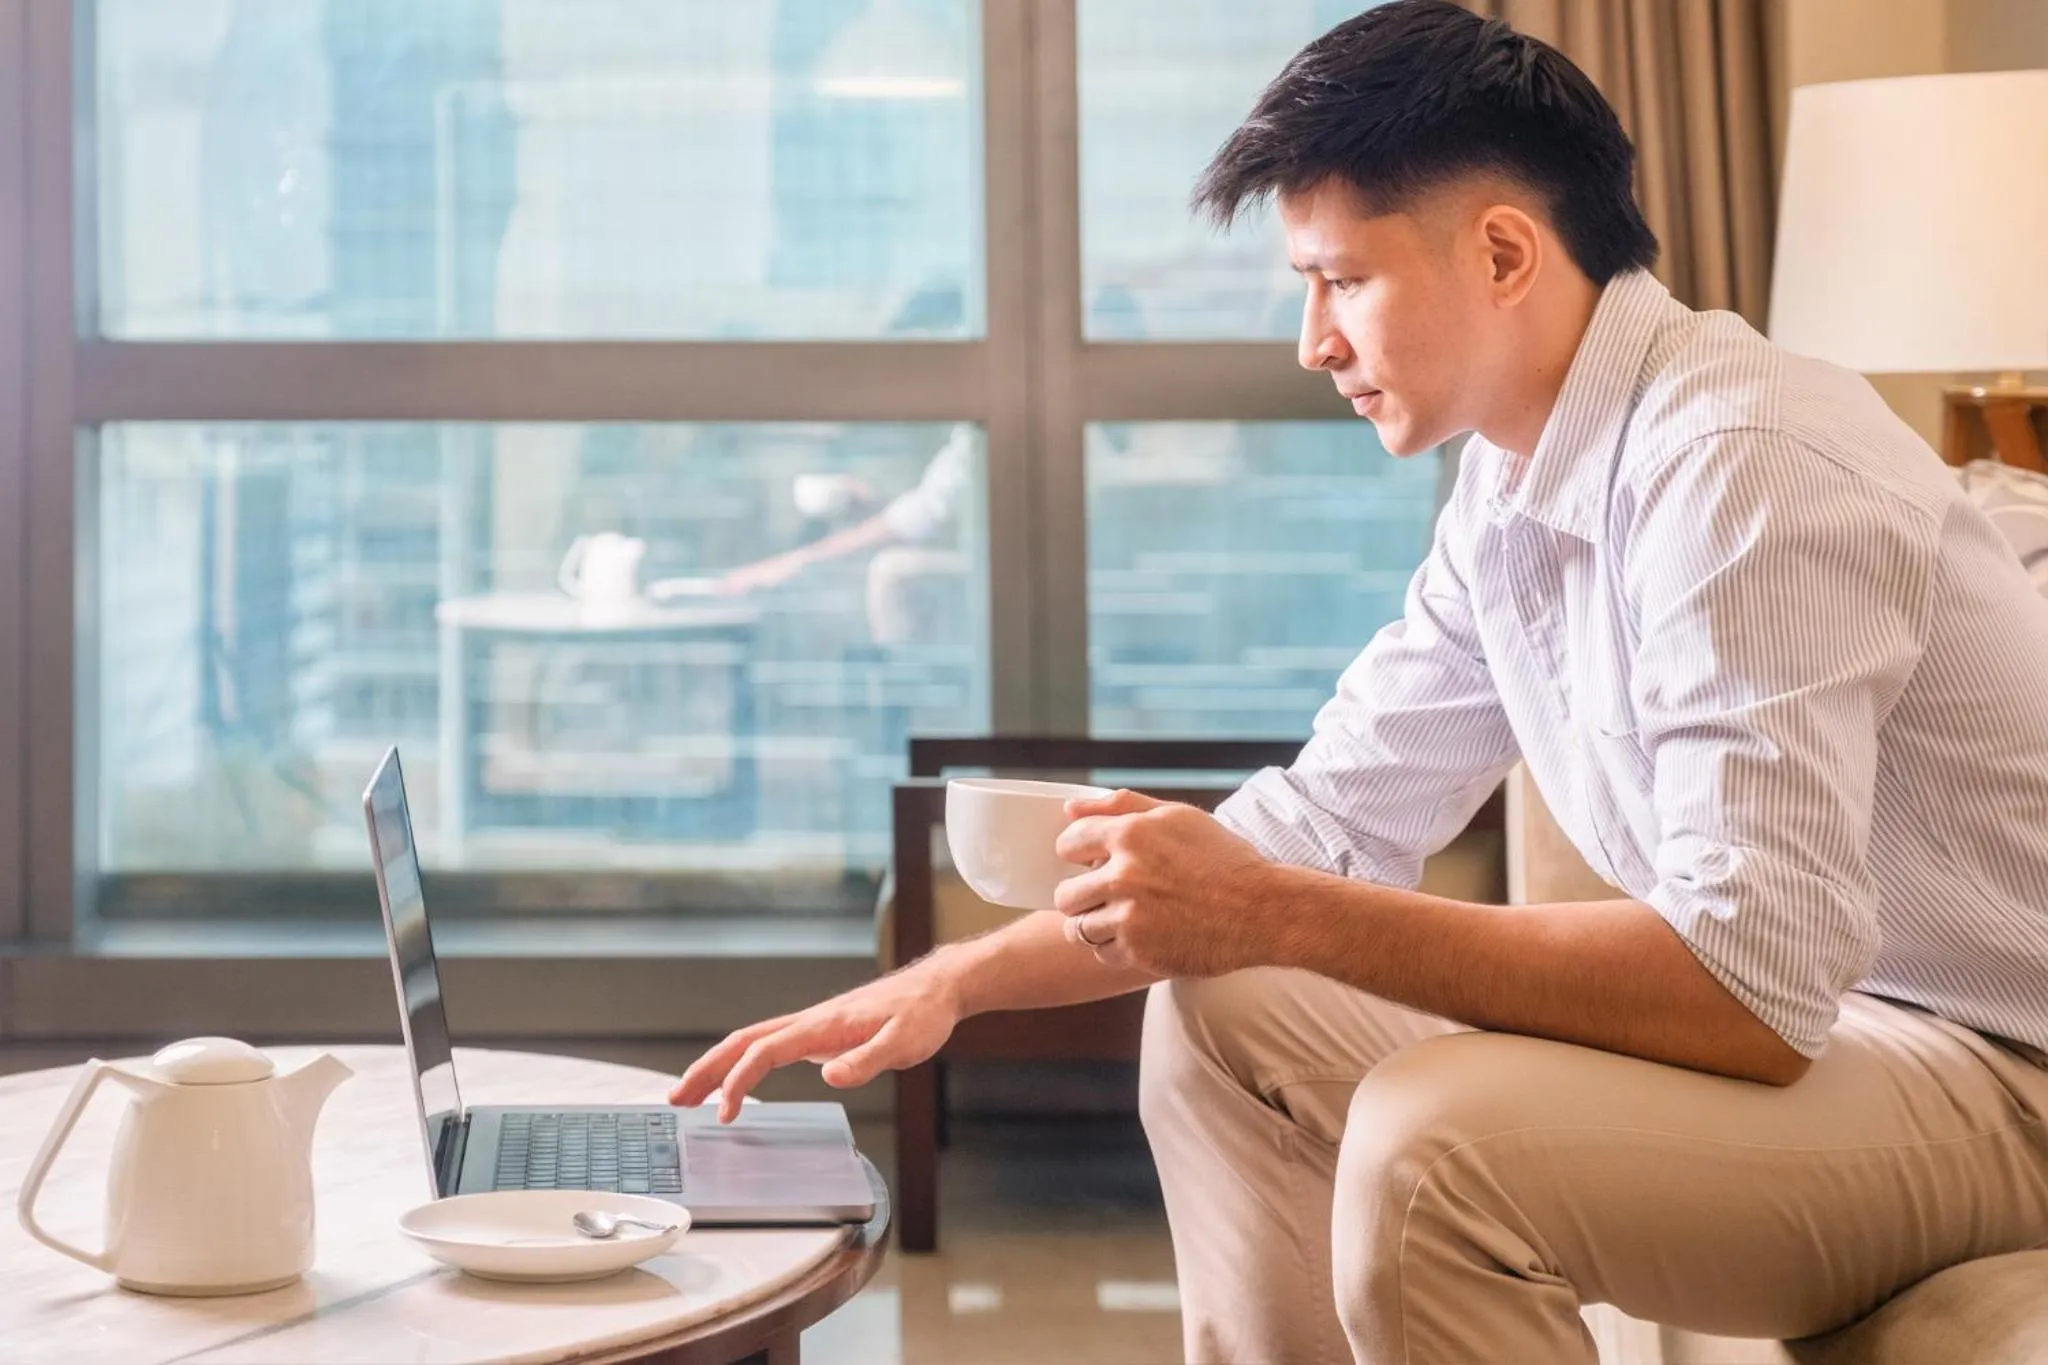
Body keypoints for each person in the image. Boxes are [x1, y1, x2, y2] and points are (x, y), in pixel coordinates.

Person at [671, 4, 2048, 1362]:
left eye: (1343, 279)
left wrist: (1274, 910)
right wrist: (962, 979)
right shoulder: (1513, 486)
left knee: (1429, 1145)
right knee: (1223, 1010)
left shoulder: (1743, 462)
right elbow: (1315, 829)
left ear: (1503, 250)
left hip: (2000, 1073)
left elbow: (1749, 983)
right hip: (1845, 1045)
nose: (1313, 341)